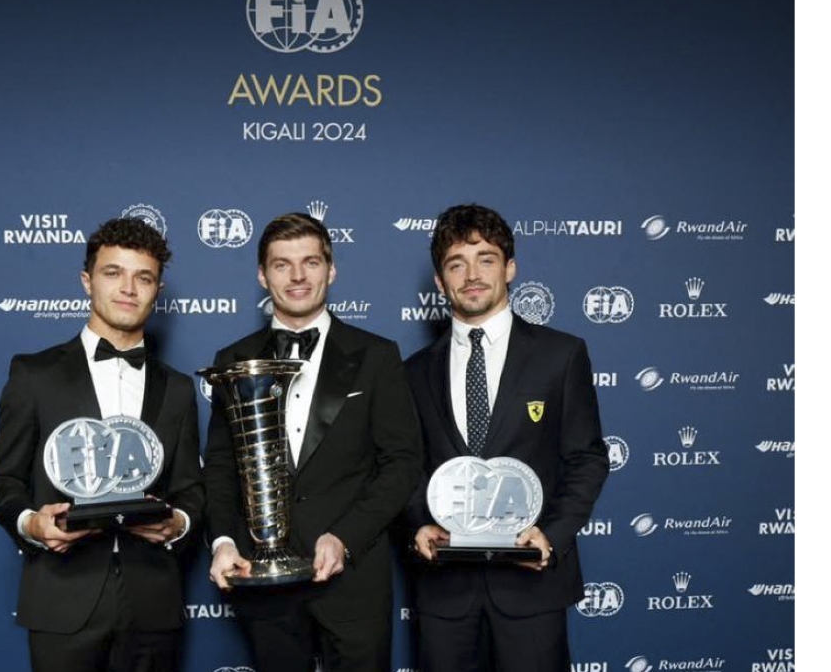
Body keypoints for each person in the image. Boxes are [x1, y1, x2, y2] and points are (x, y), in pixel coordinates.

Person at [203, 212, 422, 672]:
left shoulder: (378, 357)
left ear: (332, 269)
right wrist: (223, 540)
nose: (298, 276)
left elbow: (401, 463)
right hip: (262, 579)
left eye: (311, 262)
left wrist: (345, 538)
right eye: (282, 265)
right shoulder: (234, 359)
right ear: (263, 275)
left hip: (354, 578)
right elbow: (222, 468)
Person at [0, 217, 204, 672]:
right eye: (113, 273)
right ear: (87, 281)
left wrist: (177, 523)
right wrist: (32, 525)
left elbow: (191, 489)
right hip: (62, 599)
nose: (128, 288)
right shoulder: (34, 374)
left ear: (157, 290)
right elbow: (4, 480)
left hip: (153, 605)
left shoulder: (179, 388)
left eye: (143, 277)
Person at [406, 204, 609, 672]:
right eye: (456, 263)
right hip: (445, 591)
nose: (472, 274)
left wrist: (552, 536)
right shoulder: (413, 372)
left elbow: (587, 458)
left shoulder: (561, 355)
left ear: (510, 267)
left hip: (530, 584)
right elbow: (407, 465)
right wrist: (420, 521)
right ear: (440, 282)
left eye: (486, 259)